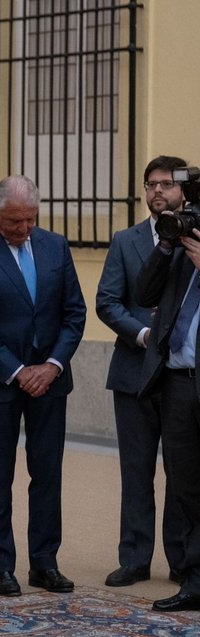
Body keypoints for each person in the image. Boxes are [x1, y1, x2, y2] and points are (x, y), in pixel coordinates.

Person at [0, 175, 86, 597]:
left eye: (30, 220)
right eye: (14, 222)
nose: (23, 229)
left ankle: (44, 563)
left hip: (50, 379)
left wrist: (51, 365)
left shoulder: (55, 246)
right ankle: (2, 567)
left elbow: (74, 313)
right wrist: (16, 370)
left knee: (47, 472)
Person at [96, 155, 189, 587]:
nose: (157, 191)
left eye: (167, 184)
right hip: (134, 370)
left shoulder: (195, 236)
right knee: (136, 470)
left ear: (184, 189)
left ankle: (181, 558)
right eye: (151, 184)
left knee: (182, 470)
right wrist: (143, 332)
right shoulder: (125, 240)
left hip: (178, 377)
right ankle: (134, 558)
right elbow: (107, 301)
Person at [133, 208, 200, 612]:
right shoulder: (179, 249)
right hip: (177, 382)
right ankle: (194, 579)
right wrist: (165, 244)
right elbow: (143, 294)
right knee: (186, 487)